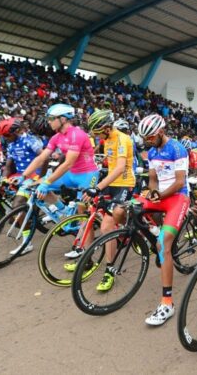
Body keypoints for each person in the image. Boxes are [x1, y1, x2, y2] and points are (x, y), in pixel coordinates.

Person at [69, 110, 136, 288]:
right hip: (111, 183)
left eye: (97, 132)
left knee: (107, 226)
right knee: (87, 209)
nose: (96, 135)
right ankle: (87, 258)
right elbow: (107, 162)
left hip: (124, 183)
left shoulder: (122, 139)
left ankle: (110, 270)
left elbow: (120, 168)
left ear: (106, 128)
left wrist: (97, 187)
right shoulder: (105, 139)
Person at [20, 104, 99, 255]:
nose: (49, 122)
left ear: (63, 119)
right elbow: (42, 157)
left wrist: (47, 182)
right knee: (38, 186)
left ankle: (84, 249)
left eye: (51, 118)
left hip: (87, 175)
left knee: (84, 213)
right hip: (70, 174)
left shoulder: (77, 134)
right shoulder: (56, 137)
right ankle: (63, 211)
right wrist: (24, 176)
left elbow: (68, 162)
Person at [136, 114, 190, 326]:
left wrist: (159, 195)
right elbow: (152, 179)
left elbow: (179, 182)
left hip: (177, 196)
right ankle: (153, 233)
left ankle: (167, 303)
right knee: (126, 210)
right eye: (145, 139)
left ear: (160, 132)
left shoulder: (177, 148)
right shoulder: (151, 151)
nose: (147, 141)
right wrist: (151, 193)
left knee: (163, 244)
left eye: (149, 137)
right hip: (160, 195)